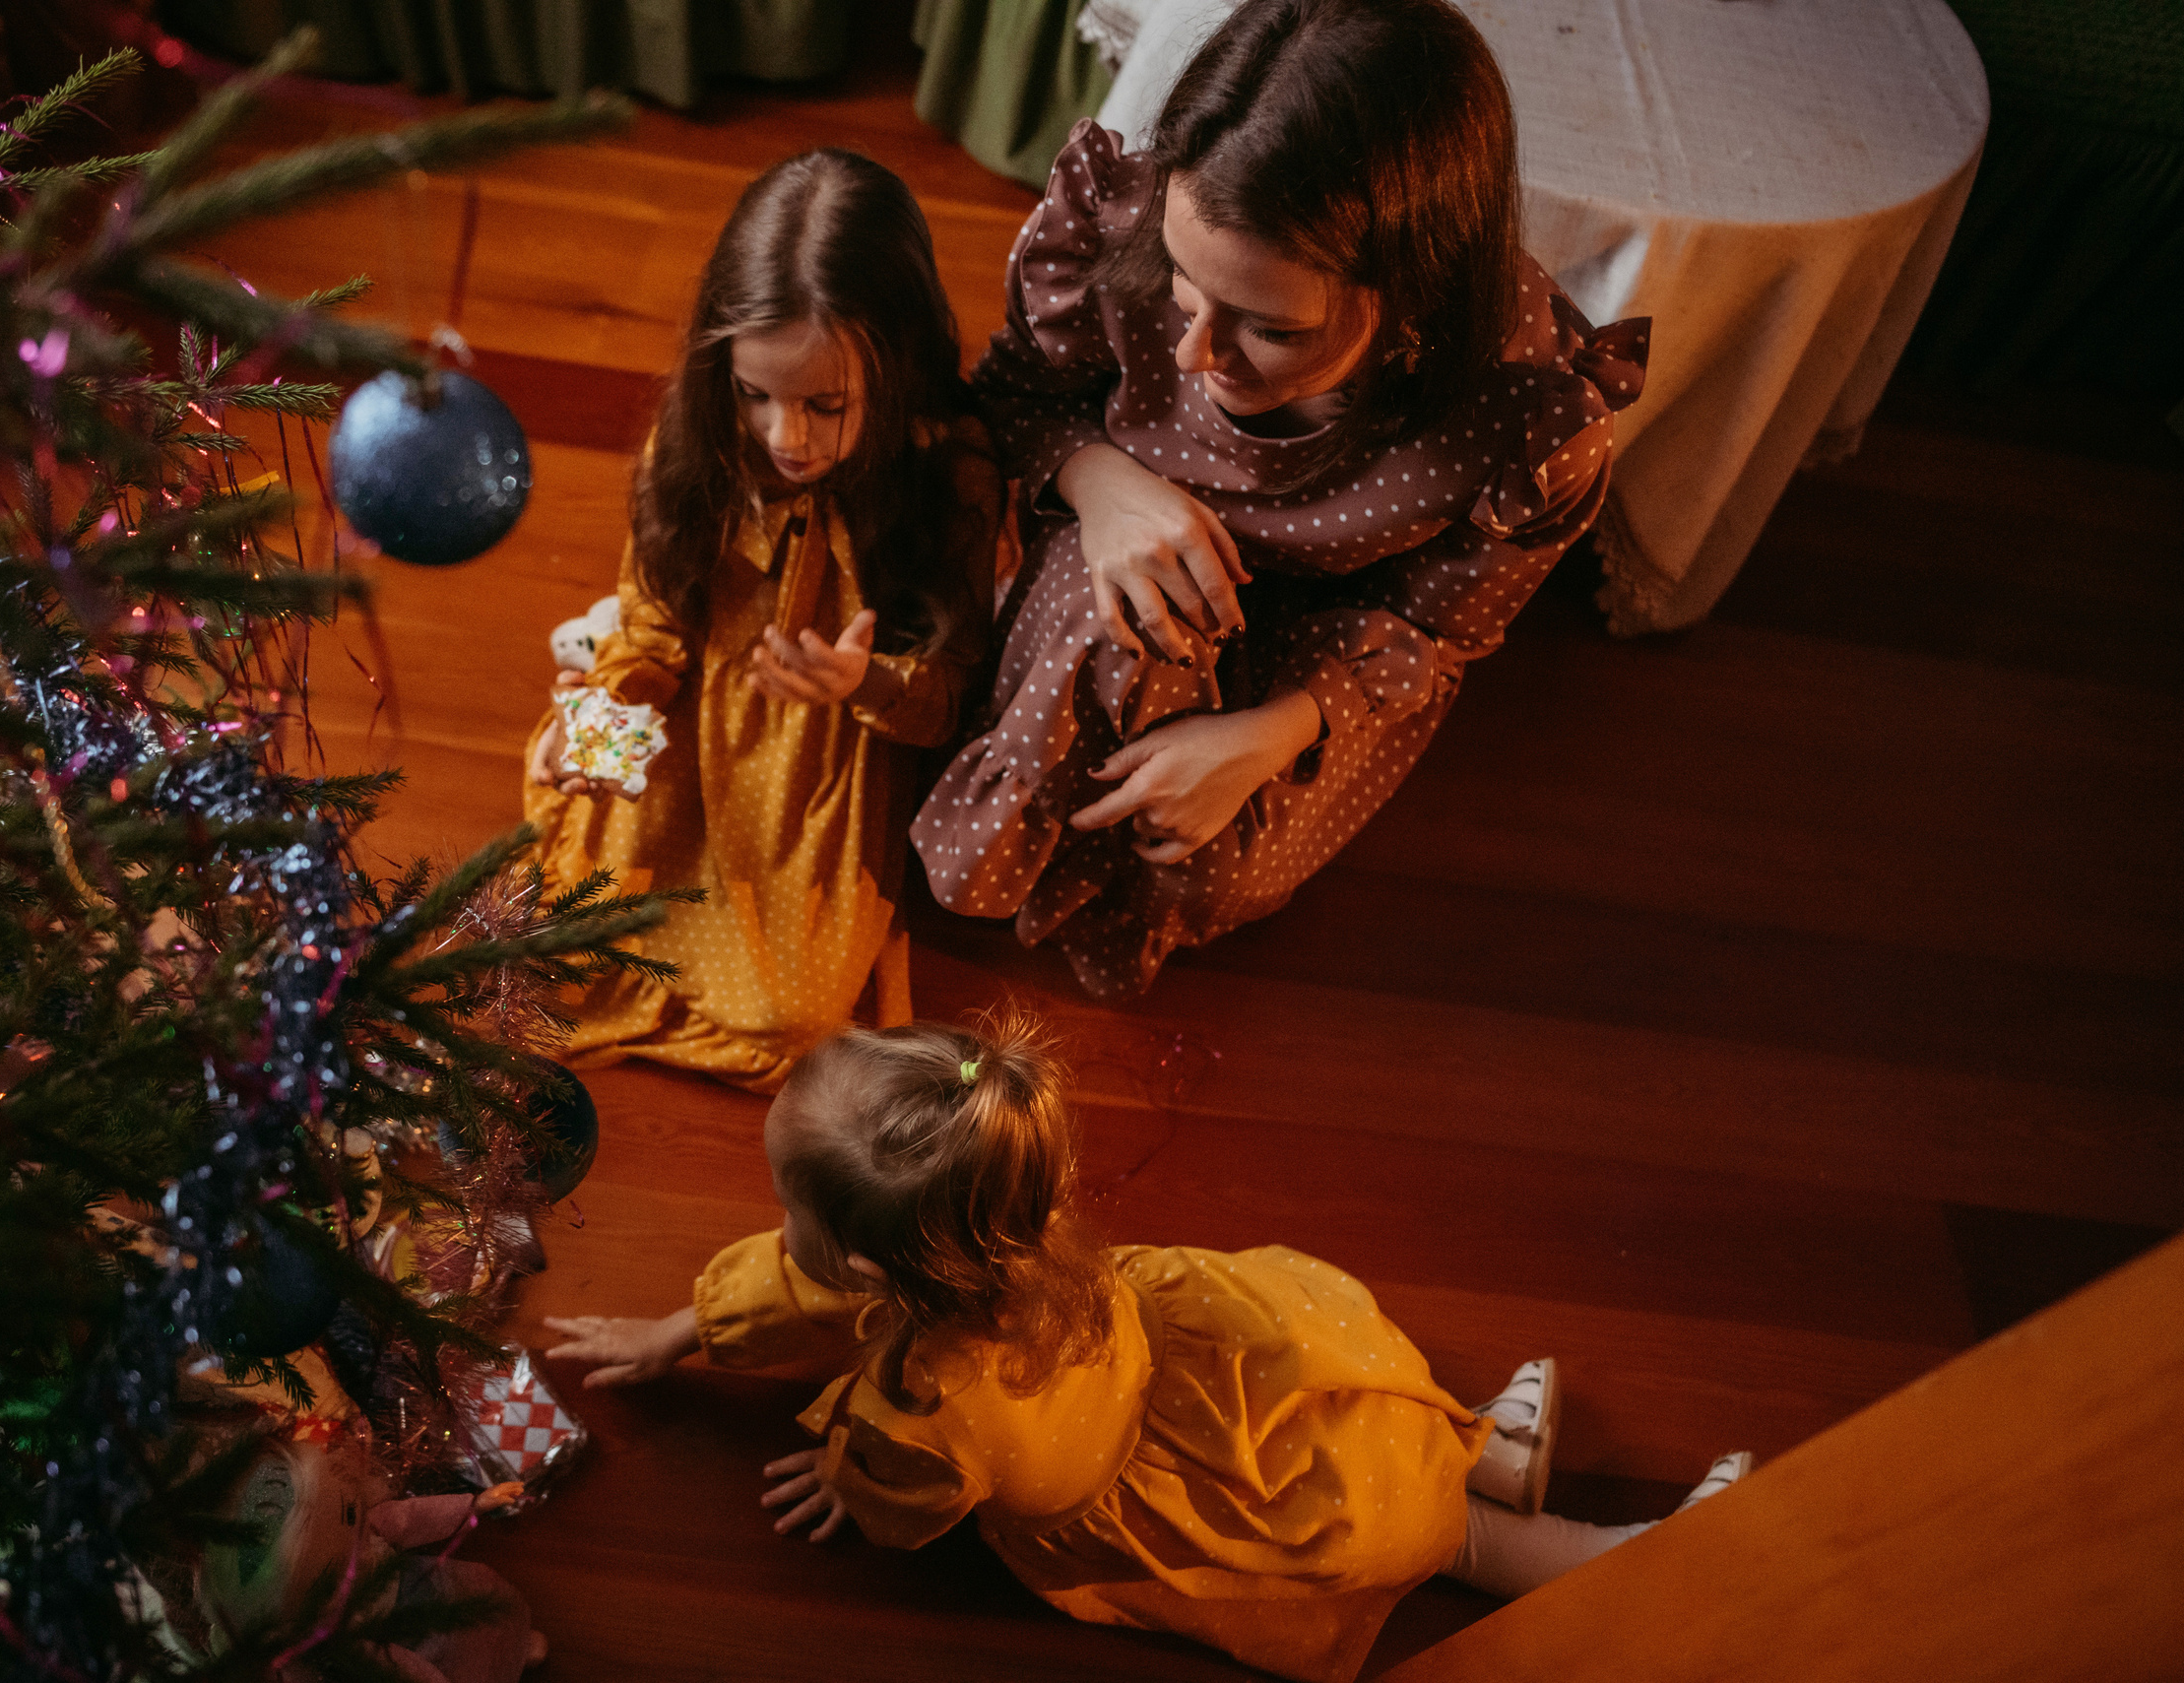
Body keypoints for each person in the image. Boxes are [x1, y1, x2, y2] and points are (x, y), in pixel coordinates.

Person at [544, 1016, 1750, 1682]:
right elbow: (797, 1277)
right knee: (1359, 1404)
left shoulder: (925, 1404)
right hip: (1216, 1368)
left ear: (868, 1270)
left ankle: (1620, 1552)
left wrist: (849, 1478)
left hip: (1195, 1493)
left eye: (790, 1206)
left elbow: (911, 1505)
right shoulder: (997, 1207)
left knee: (1421, 1528)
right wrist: (677, 1331)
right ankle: (1486, 1446)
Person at [911, 0, 1649, 999]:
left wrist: (1273, 732)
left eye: (1268, 329)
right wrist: (1106, 484)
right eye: (1178, 286)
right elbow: (1018, 394)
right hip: (1118, 539)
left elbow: (1437, 628)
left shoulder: (1531, 418)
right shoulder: (1116, 215)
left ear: (1414, 295)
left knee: (1201, 864)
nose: (1191, 353)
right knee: (1107, 641)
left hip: (1329, 641)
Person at [524, 150, 1004, 1090]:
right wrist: (601, 721)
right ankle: (581, 671)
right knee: (561, 925)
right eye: (756, 396)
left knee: (791, 1016)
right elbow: (657, 630)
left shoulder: (948, 470)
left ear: (894, 371)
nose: (786, 437)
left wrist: (861, 681)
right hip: (693, 706)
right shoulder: (700, 437)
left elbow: (946, 697)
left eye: (825, 405)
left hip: (824, 757)